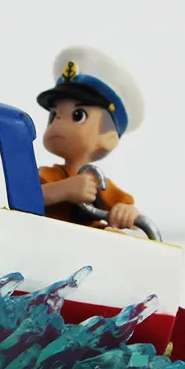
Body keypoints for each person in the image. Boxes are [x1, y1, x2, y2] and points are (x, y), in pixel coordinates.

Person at [36, 46, 145, 231]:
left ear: (108, 138)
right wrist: (63, 190)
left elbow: (131, 213)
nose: (59, 120)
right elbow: (25, 198)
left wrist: (126, 213)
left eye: (78, 115)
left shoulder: (101, 184)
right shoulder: (48, 176)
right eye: (54, 115)